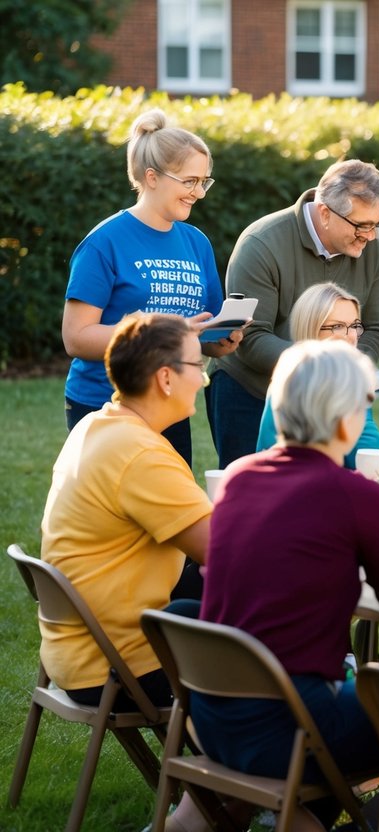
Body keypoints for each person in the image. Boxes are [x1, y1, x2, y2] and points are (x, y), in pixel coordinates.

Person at [192, 339, 379, 832]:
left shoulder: (239, 478)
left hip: (211, 715)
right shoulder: (356, 494)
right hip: (289, 725)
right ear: (343, 419)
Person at [43, 312, 212, 831]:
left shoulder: (98, 424)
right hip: (118, 664)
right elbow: (230, 553)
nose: (203, 377)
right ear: (165, 377)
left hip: (74, 648)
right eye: (198, 365)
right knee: (262, 660)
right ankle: (255, 794)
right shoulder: (142, 454)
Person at [61, 109, 237, 466]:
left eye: (204, 181)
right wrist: (164, 331)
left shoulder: (196, 242)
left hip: (170, 404)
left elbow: (202, 330)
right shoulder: (104, 242)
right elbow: (76, 338)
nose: (199, 193)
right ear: (152, 177)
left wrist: (223, 339)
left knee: (169, 516)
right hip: (105, 404)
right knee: (114, 516)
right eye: (189, 181)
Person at [208, 159, 379, 467]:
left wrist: (347, 375)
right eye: (362, 225)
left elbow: (376, 327)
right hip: (251, 391)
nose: (370, 236)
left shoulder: (371, 243)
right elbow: (251, 337)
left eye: (376, 224)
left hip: (334, 394)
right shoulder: (262, 243)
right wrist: (325, 369)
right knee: (256, 498)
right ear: (324, 213)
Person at [255, 282, 379, 469]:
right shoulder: (290, 384)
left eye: (354, 325)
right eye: (337, 326)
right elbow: (270, 457)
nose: (351, 336)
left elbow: (368, 457)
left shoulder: (351, 381)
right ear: (311, 329)